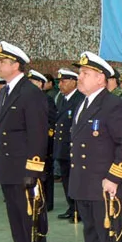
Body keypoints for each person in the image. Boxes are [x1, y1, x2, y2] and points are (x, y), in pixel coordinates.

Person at [68, 51, 122, 242]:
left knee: (108, 241)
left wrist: (114, 178)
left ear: (100, 78)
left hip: (106, 186)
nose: (79, 78)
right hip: (85, 185)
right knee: (92, 238)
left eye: (84, 74)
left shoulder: (113, 105)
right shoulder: (82, 104)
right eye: (80, 73)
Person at [0, 41, 49, 242]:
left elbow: (38, 135)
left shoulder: (30, 93)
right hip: (8, 169)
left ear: (15, 65)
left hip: (24, 171)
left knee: (30, 221)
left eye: (1, 61)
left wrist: (32, 173)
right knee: (16, 221)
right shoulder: (5, 92)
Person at [54, 68, 84, 222]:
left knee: (76, 180)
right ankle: (71, 207)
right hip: (63, 147)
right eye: (59, 81)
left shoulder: (79, 99)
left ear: (73, 82)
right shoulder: (62, 98)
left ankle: (79, 210)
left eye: (64, 81)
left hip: (73, 147)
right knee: (66, 179)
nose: (60, 84)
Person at [27, 69, 58, 212]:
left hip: (44, 144)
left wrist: (46, 138)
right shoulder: (27, 99)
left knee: (45, 175)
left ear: (40, 84)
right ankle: (34, 200)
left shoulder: (46, 99)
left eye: (32, 82)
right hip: (30, 144)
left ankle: (47, 203)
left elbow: (52, 122)